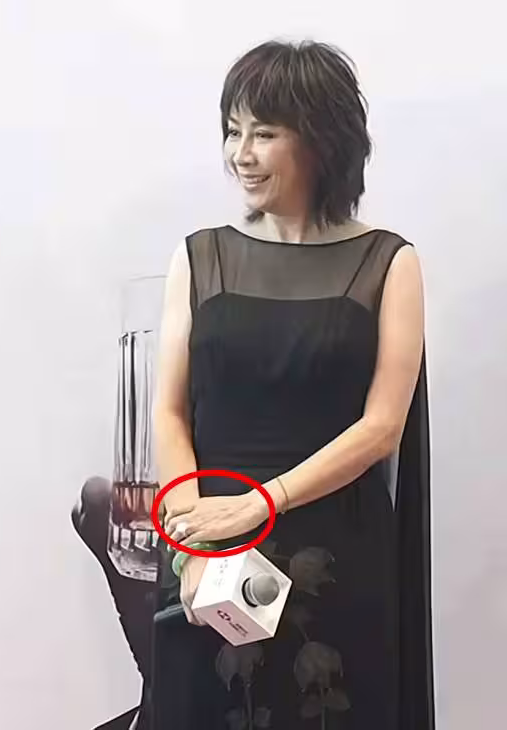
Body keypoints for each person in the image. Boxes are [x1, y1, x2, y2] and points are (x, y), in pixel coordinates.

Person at [152, 39, 435, 730]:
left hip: (335, 556)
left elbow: (382, 428)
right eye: (233, 131)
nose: (240, 154)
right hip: (209, 553)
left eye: (265, 133)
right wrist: (192, 547)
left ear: (321, 139)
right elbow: (169, 412)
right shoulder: (200, 257)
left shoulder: (389, 262)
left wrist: (259, 504)